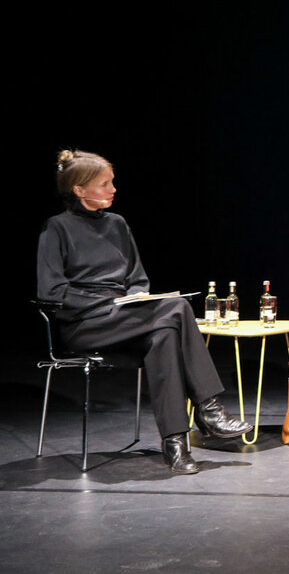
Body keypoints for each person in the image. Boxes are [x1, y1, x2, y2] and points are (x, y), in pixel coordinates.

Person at [36, 150, 249, 475]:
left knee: (163, 335)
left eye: (112, 182)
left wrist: (134, 299)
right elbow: (51, 292)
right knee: (177, 308)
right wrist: (105, 304)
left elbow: (137, 280)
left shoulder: (118, 224)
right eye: (104, 184)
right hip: (85, 324)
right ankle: (209, 408)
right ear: (79, 189)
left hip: (126, 318)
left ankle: (176, 445)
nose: (113, 189)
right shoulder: (57, 228)